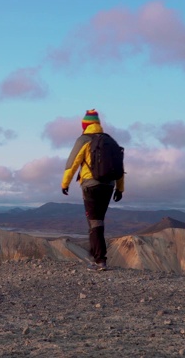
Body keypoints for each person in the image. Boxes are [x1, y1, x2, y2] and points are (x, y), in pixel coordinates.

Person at [61, 109, 124, 271]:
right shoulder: (111, 141)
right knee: (98, 221)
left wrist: (65, 184)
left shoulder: (84, 140)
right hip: (109, 186)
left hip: (91, 185)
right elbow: (119, 166)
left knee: (94, 222)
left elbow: (72, 163)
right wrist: (120, 188)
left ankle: (99, 260)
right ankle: (95, 253)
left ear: (85, 125)